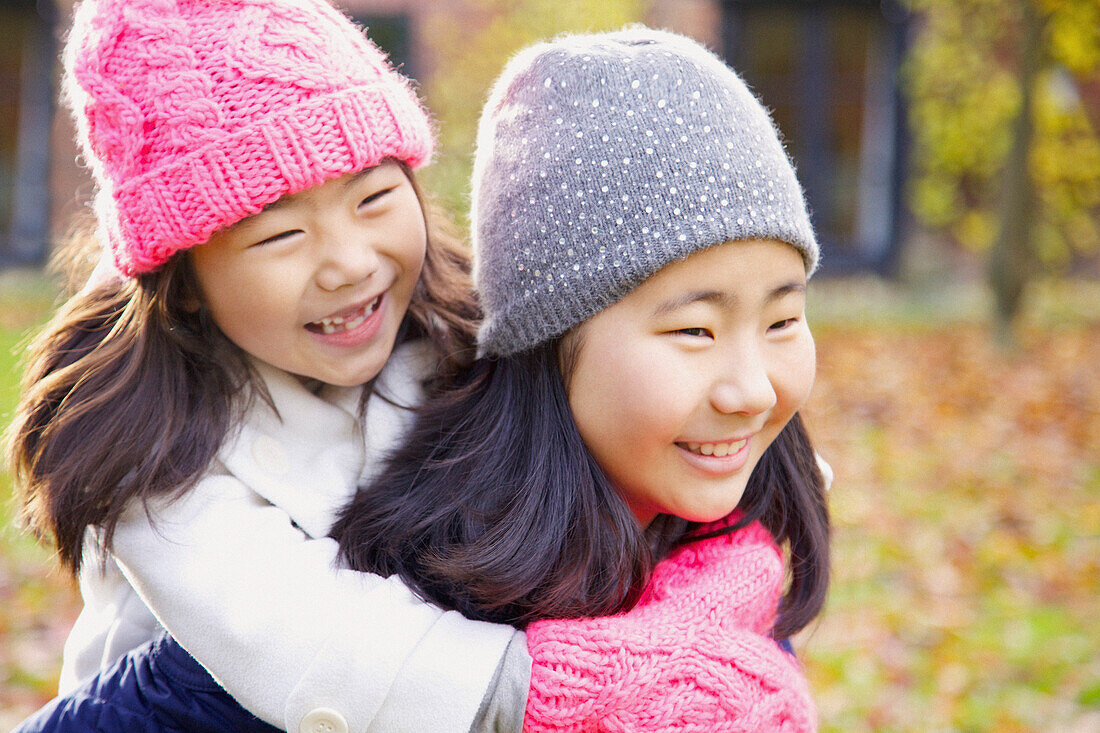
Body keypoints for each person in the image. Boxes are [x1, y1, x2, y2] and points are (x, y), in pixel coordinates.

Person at [14, 25, 830, 732]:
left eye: (374, 199)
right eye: (280, 234)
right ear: (184, 276)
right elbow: (303, 645)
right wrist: (575, 683)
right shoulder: (153, 463)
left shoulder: (448, 341)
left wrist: (728, 571)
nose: (350, 262)